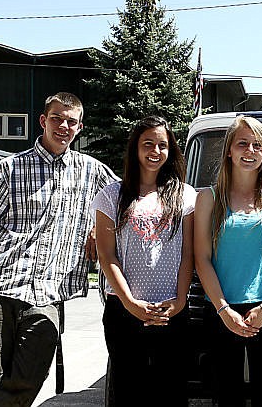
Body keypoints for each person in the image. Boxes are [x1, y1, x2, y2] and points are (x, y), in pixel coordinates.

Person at [0, 92, 117, 407]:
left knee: (28, 377)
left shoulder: (93, 171)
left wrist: (96, 229)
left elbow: (127, 203)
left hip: (48, 294)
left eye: (71, 121)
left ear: (80, 127)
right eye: (57, 118)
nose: (64, 126)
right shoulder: (10, 168)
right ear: (43, 121)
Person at [91, 115, 196, 406]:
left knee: (171, 393)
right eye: (148, 143)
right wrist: (129, 302)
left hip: (169, 311)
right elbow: (106, 254)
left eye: (162, 145)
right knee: (127, 392)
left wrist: (180, 300)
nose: (155, 151)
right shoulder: (111, 195)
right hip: (124, 311)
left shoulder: (185, 196)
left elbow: (189, 253)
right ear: (135, 148)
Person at [194, 115, 262, 407]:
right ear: (229, 150)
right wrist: (223, 310)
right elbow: (202, 259)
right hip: (220, 310)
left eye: (257, 145)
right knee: (226, 396)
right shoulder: (209, 199)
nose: (250, 151)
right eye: (242, 144)